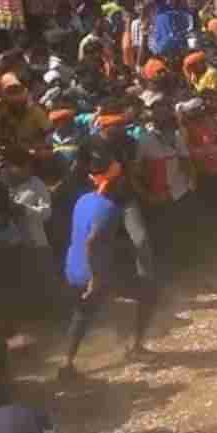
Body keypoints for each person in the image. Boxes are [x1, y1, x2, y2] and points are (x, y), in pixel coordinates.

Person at [60, 145, 151, 375]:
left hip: (72, 267)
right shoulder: (109, 208)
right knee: (148, 292)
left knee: (82, 313)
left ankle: (66, 364)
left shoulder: (82, 200)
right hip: (94, 271)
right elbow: (92, 243)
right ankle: (137, 347)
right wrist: (96, 278)